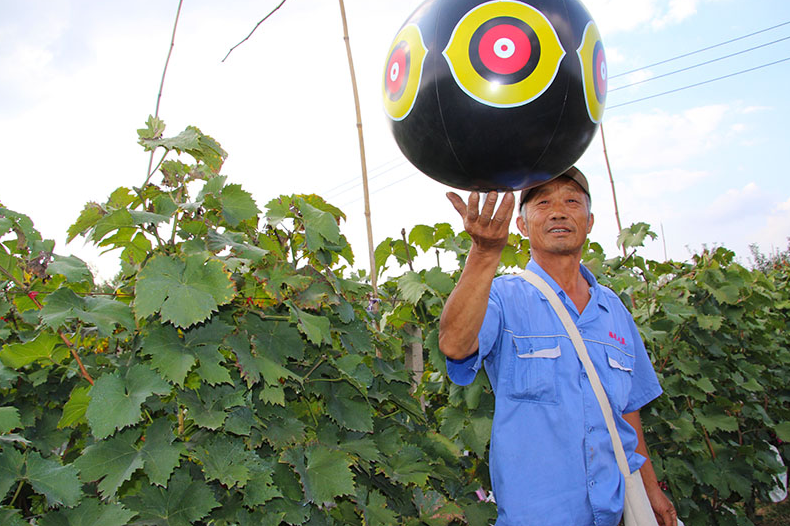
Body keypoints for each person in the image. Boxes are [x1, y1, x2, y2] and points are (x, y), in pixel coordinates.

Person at [439, 167, 677, 526]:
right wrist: (484, 254)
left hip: (612, 515)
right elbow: (455, 345)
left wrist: (650, 490)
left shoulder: (613, 309)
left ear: (590, 220)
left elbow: (626, 410)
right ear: (521, 224)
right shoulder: (503, 297)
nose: (558, 211)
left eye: (571, 201)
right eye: (543, 201)